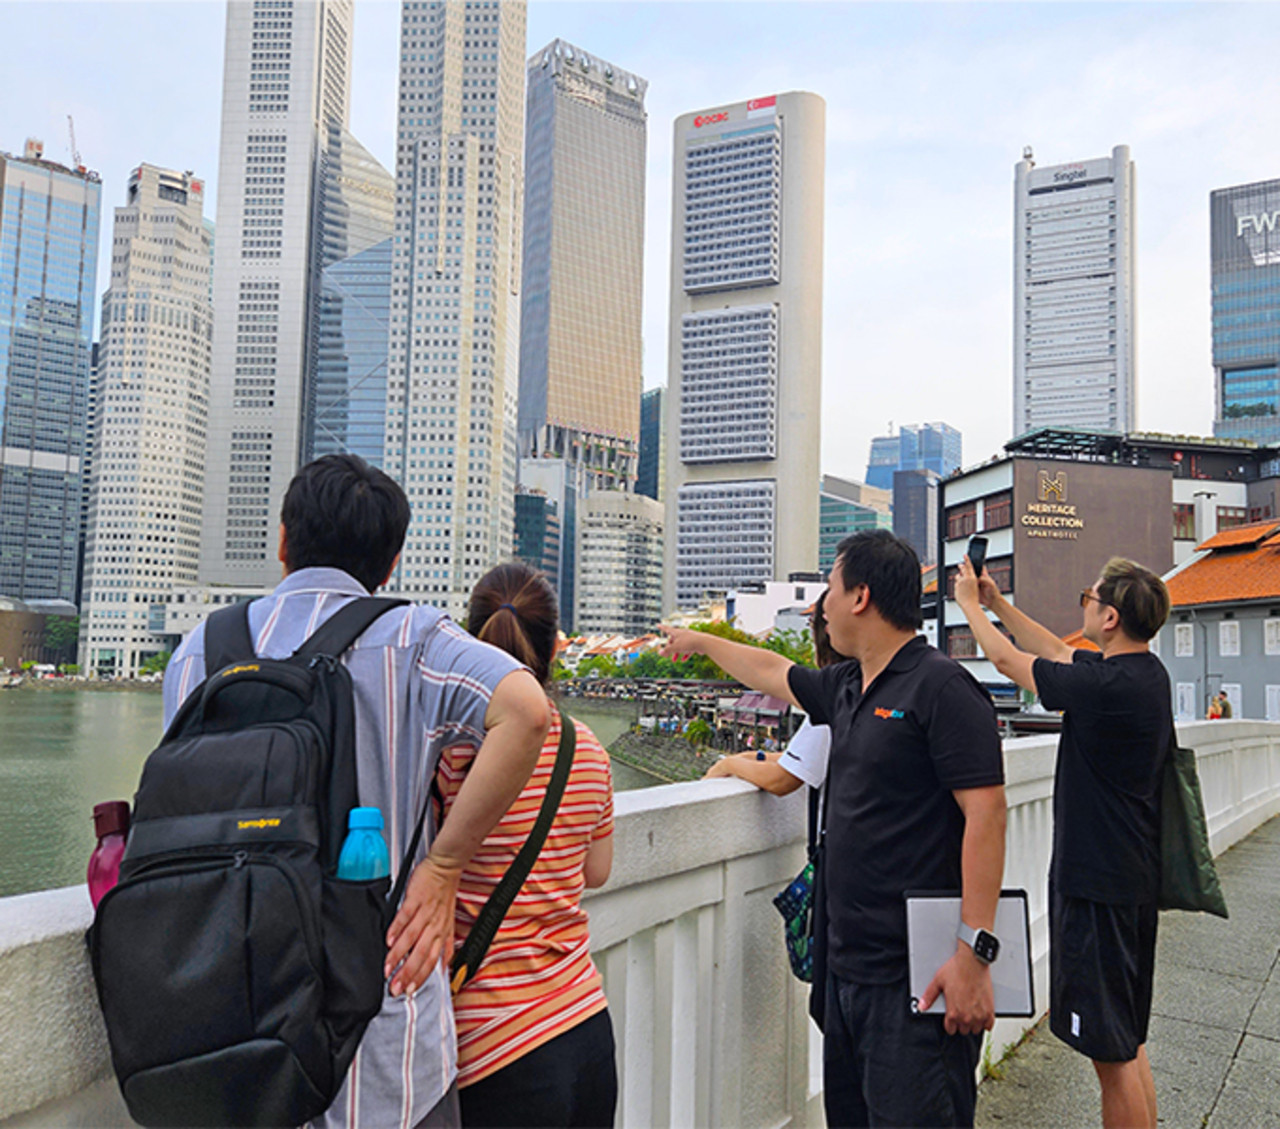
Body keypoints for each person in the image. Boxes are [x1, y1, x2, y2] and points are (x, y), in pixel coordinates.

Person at [163, 455, 549, 1129]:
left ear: (284, 539)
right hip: (385, 1040)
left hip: (228, 1026)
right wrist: (444, 863)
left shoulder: (200, 649)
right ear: (390, 561)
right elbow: (526, 711)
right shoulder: (411, 635)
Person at [661, 530, 1007, 1128]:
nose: (821, 603)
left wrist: (973, 953)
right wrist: (699, 641)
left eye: (829, 587)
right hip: (846, 972)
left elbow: (989, 814)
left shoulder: (942, 688)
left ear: (860, 597)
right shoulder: (847, 686)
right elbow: (773, 670)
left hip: (915, 979)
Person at [952, 554, 1171, 1129]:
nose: (1085, 607)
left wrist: (970, 609)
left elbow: (1005, 661)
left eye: (1088, 599)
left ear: (1110, 617)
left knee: (1111, 1055)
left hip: (1097, 884)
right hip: (1130, 877)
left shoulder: (1105, 686)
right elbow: (1054, 651)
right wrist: (998, 604)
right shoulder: (1140, 675)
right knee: (1127, 1039)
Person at [435, 561, 617, 1128]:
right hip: (585, 1024)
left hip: (493, 1044)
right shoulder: (588, 750)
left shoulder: (452, 754)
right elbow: (597, 870)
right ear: (553, 649)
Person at [703, 591, 844, 796]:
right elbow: (806, 759)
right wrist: (755, 757)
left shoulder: (834, 698)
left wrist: (728, 765)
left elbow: (781, 780)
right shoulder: (862, 687)